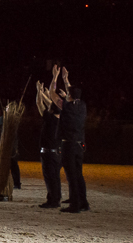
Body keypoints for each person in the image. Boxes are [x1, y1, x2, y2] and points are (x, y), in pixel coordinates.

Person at [57, 67, 89, 213]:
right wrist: (65, 81)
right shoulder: (82, 107)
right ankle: (84, 202)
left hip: (69, 145)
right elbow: (72, 96)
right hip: (79, 145)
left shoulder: (68, 107)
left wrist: (60, 78)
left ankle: (74, 204)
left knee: (71, 176)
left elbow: (56, 98)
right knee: (79, 175)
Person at [36, 65, 63, 209]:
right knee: (56, 178)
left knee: (49, 177)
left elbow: (39, 103)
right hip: (58, 152)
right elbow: (50, 102)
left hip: (48, 152)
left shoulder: (50, 118)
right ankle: (55, 199)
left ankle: (52, 200)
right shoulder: (63, 118)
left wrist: (39, 92)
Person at [0, 103, 21, 189]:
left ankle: (2, 182)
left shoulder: (6, 118)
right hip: (13, 144)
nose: (5, 108)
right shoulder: (13, 117)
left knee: (3, 164)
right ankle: (17, 184)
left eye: (7, 107)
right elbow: (0, 119)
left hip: (6, 145)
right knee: (14, 165)